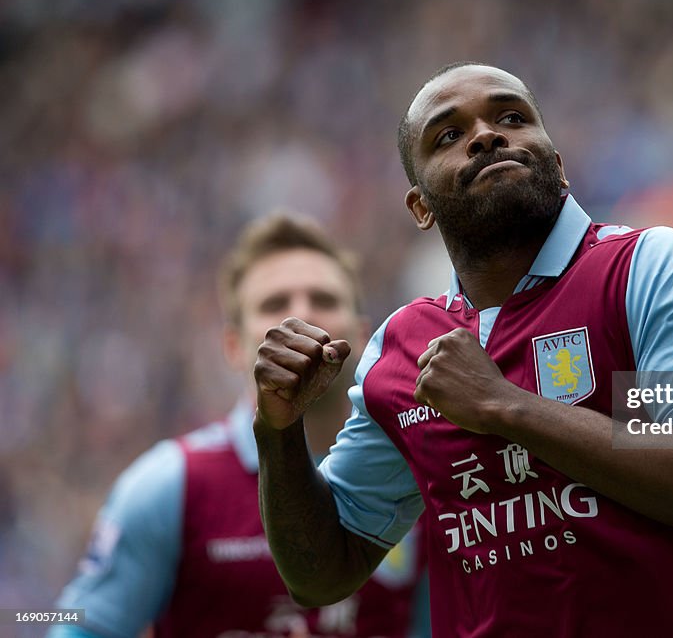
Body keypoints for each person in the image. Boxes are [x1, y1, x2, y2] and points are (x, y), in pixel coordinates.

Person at [253, 62, 673, 636]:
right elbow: (322, 574)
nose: (486, 135)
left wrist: (506, 406)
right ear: (420, 208)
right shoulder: (401, 348)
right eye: (448, 136)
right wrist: (278, 431)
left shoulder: (648, 268)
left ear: (558, 167)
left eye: (512, 117)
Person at [50, 213, 427, 638]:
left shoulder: (414, 475)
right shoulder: (170, 486)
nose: (301, 315)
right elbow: (80, 626)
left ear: (364, 335)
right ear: (233, 346)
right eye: (274, 304)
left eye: (323, 299)